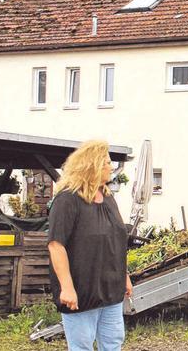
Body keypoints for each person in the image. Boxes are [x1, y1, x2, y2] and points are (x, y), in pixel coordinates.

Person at [47, 140, 132, 351]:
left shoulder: (109, 198)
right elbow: (56, 245)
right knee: (82, 346)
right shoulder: (67, 200)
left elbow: (116, 241)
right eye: (107, 162)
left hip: (111, 290)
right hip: (81, 292)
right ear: (91, 165)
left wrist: (125, 276)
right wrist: (67, 287)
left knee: (113, 343)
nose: (111, 167)